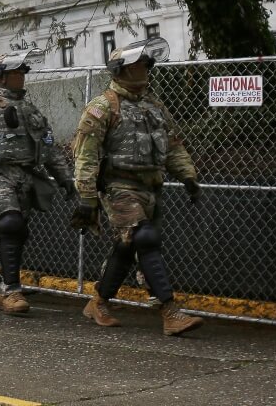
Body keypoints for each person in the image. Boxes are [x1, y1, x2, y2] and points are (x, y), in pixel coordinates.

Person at [69, 37, 205, 336]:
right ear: (121, 70)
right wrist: (87, 197)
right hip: (119, 185)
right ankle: (169, 311)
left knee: (128, 244)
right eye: (137, 64)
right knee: (144, 237)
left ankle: (99, 302)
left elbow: (173, 145)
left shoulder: (154, 106)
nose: (144, 68)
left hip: (151, 187)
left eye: (145, 63)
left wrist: (188, 176)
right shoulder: (103, 106)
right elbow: (85, 154)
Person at [0, 50, 76, 315]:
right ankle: (12, 291)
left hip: (27, 178)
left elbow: (48, 147)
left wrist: (65, 177)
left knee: (17, 234)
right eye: (15, 73)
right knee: (10, 223)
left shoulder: (31, 111)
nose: (21, 77)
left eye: (22, 73)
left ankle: (1, 287)